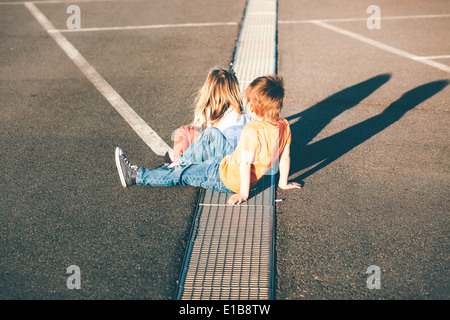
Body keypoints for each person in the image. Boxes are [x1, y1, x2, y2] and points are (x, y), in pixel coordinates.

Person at [115, 75, 301, 205]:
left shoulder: (252, 130)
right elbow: (284, 157)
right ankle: (179, 162)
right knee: (212, 135)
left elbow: (244, 164)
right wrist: (283, 183)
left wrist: (243, 193)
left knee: (183, 174)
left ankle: (136, 176)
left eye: (249, 102)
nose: (247, 105)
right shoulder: (284, 125)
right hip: (230, 163)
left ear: (254, 107)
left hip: (226, 178)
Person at [168, 67, 249, 164]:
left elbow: (195, 133)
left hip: (217, 157)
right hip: (237, 158)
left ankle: (178, 162)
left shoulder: (210, 110)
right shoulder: (241, 114)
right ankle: (177, 159)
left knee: (184, 131)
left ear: (209, 90)